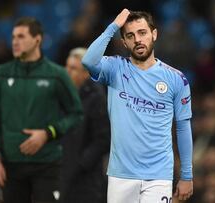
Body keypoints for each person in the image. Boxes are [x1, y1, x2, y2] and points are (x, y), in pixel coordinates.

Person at [81, 9, 194, 202]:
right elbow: (88, 60)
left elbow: (183, 128)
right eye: (130, 36)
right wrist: (113, 26)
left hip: (159, 175)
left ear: (154, 34)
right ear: (124, 42)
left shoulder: (176, 79)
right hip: (120, 174)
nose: (138, 40)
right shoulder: (114, 68)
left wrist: (187, 175)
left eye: (142, 33)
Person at [0, 17, 83, 203]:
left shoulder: (56, 74)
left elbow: (76, 114)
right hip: (11, 164)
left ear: (37, 39)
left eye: (21, 36)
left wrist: (48, 133)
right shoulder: (1, 73)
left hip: (47, 164)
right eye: (13, 37)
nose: (14, 41)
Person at [61, 47, 110, 203]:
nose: (67, 72)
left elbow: (103, 139)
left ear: (85, 73)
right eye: (67, 67)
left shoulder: (96, 97)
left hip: (86, 179)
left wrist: (80, 163)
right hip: (62, 172)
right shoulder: (60, 94)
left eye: (73, 68)